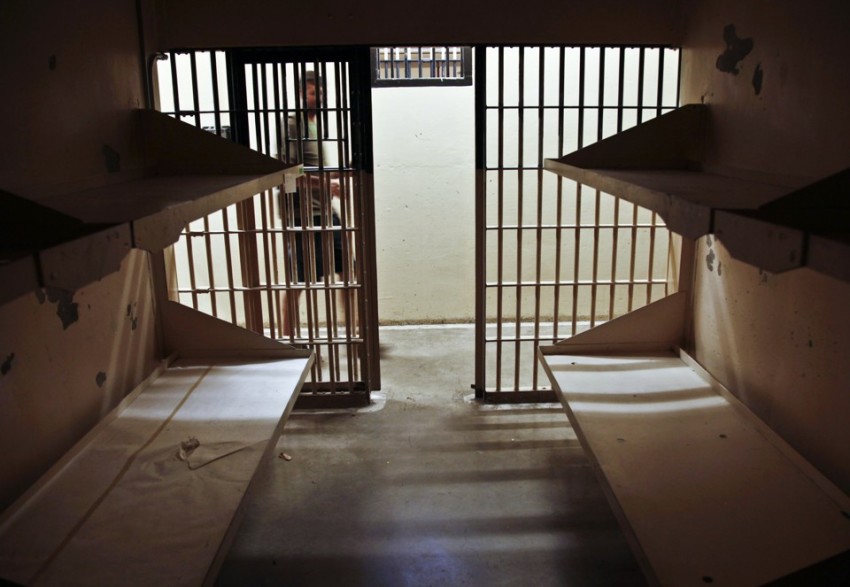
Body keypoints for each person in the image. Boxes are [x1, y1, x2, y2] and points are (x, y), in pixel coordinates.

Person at [280, 69, 345, 338]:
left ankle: (358, 333)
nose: (318, 96)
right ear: (300, 94)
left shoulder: (315, 124)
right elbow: (288, 172)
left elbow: (312, 169)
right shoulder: (293, 124)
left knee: (348, 272)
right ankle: (288, 340)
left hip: (325, 211)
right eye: (312, 92)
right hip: (302, 215)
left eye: (320, 92)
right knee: (298, 281)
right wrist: (325, 183)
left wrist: (333, 179)